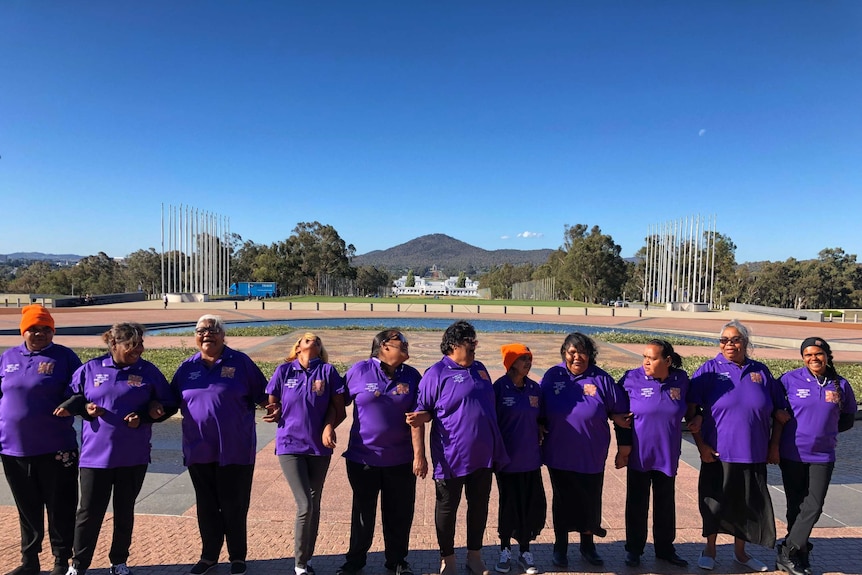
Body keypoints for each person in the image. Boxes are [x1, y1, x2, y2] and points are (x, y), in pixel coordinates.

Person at [58, 322, 177, 575]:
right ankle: (78, 565)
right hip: (95, 457)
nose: (138, 350)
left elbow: (167, 403)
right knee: (88, 513)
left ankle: (119, 561)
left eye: (140, 344)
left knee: (124, 512)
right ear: (113, 344)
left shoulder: (148, 371)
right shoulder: (90, 369)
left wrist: (146, 415)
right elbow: (72, 397)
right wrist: (85, 408)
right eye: (131, 345)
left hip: (133, 456)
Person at [406, 320, 508, 575]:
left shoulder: (481, 369)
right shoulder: (436, 373)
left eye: (475, 341)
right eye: (469, 342)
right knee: (447, 509)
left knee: (479, 506)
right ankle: (447, 559)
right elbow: (420, 415)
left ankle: (474, 556)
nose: (474, 346)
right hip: (450, 456)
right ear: (453, 345)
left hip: (483, 456)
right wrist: (419, 456)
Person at [170, 315, 269, 575]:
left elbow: (264, 395)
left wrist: (278, 408)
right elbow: (167, 402)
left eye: (213, 330)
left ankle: (237, 557)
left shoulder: (241, 362)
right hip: (198, 448)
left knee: (234, 505)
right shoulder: (186, 367)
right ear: (195, 336)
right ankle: (209, 556)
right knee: (206, 505)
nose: (207, 334)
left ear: (223, 335)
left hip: (236, 448)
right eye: (201, 330)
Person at [688, 320, 788, 572]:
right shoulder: (709, 370)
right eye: (724, 340)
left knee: (745, 505)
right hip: (719, 452)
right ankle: (709, 549)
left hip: (754, 452)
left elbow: (779, 410)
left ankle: (740, 553)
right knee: (714, 504)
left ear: (745, 343)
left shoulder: (761, 371)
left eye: (735, 340)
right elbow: (692, 411)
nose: (729, 344)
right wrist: (701, 446)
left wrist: (773, 445)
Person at [336, 330, 427, 575]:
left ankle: (397, 561)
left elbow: (418, 417)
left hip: (400, 459)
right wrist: (324, 427)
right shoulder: (359, 370)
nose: (407, 346)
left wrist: (420, 455)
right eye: (402, 344)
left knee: (399, 513)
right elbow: (336, 402)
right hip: (362, 458)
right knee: (363, 513)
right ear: (384, 346)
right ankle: (354, 562)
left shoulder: (412, 375)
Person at [0, 305, 83, 575]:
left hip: (56, 447)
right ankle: (30, 562)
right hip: (13, 448)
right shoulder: (8, 356)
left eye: (46, 329)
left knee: (60, 505)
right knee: (27, 507)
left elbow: (83, 391)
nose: (39, 333)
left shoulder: (64, 357)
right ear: (23, 330)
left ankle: (61, 561)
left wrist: (71, 404)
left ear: (53, 331)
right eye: (33, 328)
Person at [539, 332, 627, 568]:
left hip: (591, 453)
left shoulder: (601, 379)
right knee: (562, 500)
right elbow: (538, 407)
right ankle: (560, 547)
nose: (578, 357)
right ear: (564, 354)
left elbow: (620, 412)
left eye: (583, 352)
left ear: (590, 355)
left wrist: (624, 443)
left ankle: (588, 545)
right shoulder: (552, 375)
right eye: (572, 352)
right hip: (559, 453)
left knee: (589, 500)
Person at [773, 337, 857, 575]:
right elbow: (774, 410)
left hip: (823, 454)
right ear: (803, 358)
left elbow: (848, 418)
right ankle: (799, 555)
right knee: (795, 506)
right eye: (808, 354)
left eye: (818, 353)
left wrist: (824, 430)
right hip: (793, 453)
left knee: (815, 506)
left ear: (827, 355)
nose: (813, 358)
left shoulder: (840, 384)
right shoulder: (789, 380)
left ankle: (788, 549)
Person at [264, 332, 346, 575]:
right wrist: (274, 410)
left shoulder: (328, 372)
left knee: (314, 503)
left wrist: (329, 426)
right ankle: (300, 564)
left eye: (318, 340)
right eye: (309, 338)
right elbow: (273, 401)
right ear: (298, 346)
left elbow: (337, 408)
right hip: (290, 444)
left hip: (319, 448)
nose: (315, 340)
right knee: (304, 503)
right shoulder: (284, 370)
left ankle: (307, 558)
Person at [615, 339, 691, 568]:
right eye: (644, 357)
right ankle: (634, 550)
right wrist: (623, 446)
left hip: (667, 455)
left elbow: (693, 406)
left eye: (652, 358)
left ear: (667, 361)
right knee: (637, 504)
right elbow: (617, 412)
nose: (646, 362)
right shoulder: (630, 379)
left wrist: (697, 418)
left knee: (665, 504)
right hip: (640, 455)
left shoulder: (682, 380)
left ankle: (665, 549)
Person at [492, 344, 546, 575]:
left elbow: (542, 418)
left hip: (531, 459)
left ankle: (525, 551)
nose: (528, 362)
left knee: (529, 506)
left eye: (529, 358)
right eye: (523, 358)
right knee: (509, 505)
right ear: (511, 361)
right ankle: (505, 550)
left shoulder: (534, 388)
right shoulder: (498, 389)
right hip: (507, 461)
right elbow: (491, 423)